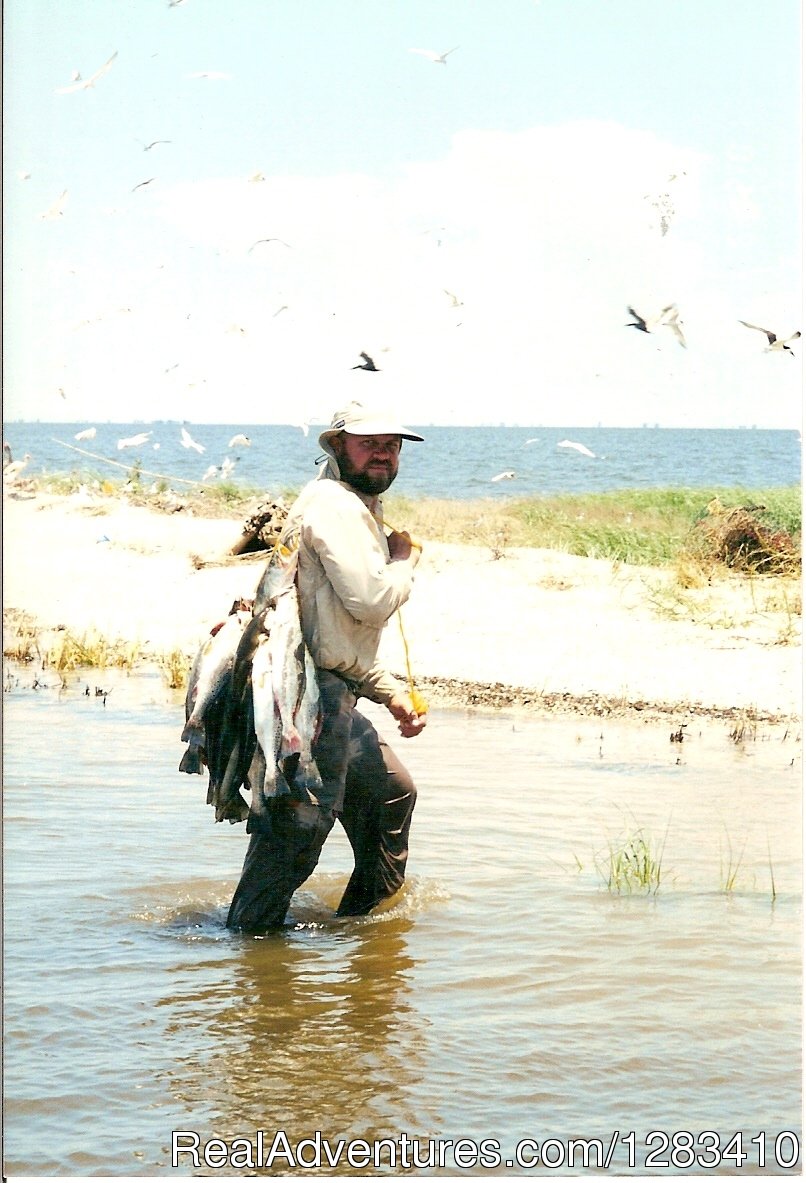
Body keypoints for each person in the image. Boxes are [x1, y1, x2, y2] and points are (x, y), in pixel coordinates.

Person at [226, 401, 427, 931]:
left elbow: (330, 627)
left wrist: (388, 691)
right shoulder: (335, 506)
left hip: (329, 685)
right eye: (369, 443)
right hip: (306, 698)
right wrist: (405, 561)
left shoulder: (351, 503)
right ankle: (253, 948)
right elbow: (370, 601)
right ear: (338, 447)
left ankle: (364, 927)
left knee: (390, 795)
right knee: (296, 832)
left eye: (392, 444)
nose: (383, 454)